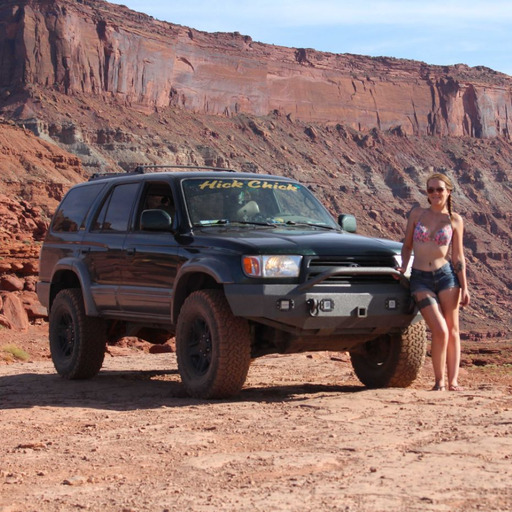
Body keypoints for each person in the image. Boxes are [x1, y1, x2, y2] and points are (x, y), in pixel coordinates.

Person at [397, 173, 470, 391]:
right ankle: (439, 381)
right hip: (421, 278)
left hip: (446, 277)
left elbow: (457, 256)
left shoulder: (455, 220)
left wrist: (464, 286)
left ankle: (453, 381)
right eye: (430, 190)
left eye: (439, 189)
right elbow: (407, 245)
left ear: (448, 191)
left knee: (453, 329)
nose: (435, 193)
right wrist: (403, 266)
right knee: (440, 330)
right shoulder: (417, 214)